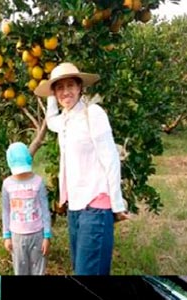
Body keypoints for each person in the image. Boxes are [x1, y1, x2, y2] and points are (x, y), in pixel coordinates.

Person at [35, 62, 128, 275]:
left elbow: (111, 158)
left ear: (80, 88)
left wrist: (117, 204)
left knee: (87, 272)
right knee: (81, 269)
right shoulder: (65, 119)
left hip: (96, 205)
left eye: (70, 85)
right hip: (75, 208)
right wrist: (50, 93)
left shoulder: (93, 113)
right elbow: (50, 122)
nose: (65, 92)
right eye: (59, 87)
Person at [1, 142, 51, 275]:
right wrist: (7, 236)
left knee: (38, 270)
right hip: (16, 236)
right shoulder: (7, 184)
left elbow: (45, 210)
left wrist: (47, 236)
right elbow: (6, 211)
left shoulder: (38, 182)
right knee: (20, 270)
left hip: (37, 234)